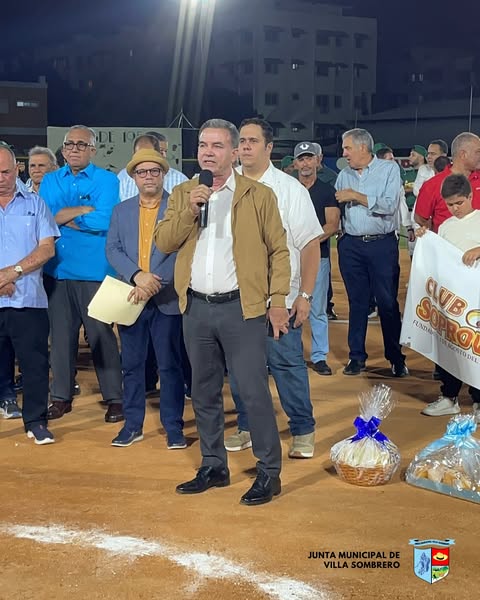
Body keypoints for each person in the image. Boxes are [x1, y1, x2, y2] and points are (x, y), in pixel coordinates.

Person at [154, 118, 291, 506]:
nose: (208, 153)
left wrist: (278, 300)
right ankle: (214, 465)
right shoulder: (184, 193)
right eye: (203, 145)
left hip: (241, 310)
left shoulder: (258, 195)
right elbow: (164, 241)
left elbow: (279, 251)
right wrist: (189, 210)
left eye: (217, 146)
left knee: (252, 391)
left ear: (234, 152)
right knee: (203, 392)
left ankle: (268, 472)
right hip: (196, 308)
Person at [225, 120, 321, 459]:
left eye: (253, 141)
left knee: (286, 366)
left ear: (268, 148)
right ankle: (247, 425)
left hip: (280, 296)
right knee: (240, 369)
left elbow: (310, 245)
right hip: (234, 296)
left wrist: (304, 295)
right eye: (241, 141)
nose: (245, 146)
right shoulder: (226, 185)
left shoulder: (289, 190)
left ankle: (302, 430)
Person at [40, 125, 124, 423]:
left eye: (81, 144)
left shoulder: (107, 180)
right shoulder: (50, 179)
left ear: (93, 150)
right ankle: (61, 396)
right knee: (61, 339)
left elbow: (106, 219)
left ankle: (115, 398)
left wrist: (66, 216)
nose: (74, 149)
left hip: (95, 272)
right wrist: (84, 210)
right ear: (63, 149)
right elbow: (46, 218)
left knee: (101, 336)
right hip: (57, 271)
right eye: (69, 144)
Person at [106, 148, 186, 448]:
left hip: (166, 299)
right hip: (132, 295)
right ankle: (132, 425)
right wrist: (137, 276)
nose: (148, 177)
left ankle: (173, 427)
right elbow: (112, 249)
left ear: (163, 175)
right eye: (142, 172)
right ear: (134, 178)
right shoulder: (121, 210)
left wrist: (152, 283)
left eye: (154, 171)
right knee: (132, 365)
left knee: (170, 366)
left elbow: (182, 251)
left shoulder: (178, 208)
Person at [335, 128, 407, 377]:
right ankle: (356, 357)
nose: (344, 153)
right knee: (357, 303)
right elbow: (338, 207)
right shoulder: (343, 174)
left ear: (363, 148)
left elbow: (389, 205)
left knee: (387, 302)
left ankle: (396, 358)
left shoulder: (389, 169)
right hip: (351, 246)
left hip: (381, 245)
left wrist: (355, 195)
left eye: (347, 148)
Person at [0, 145, 59, 443]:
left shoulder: (36, 204)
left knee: (35, 364)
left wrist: (13, 272)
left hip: (28, 299)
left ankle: (36, 421)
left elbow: (47, 248)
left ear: (17, 169)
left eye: (5, 172)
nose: (0, 178)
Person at [416, 174, 480, 421]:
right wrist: (426, 238)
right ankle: (449, 397)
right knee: (449, 347)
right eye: (450, 204)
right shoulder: (445, 226)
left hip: (475, 300)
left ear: (470, 197)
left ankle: (478, 400)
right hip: (452, 298)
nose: (455, 209)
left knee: (475, 348)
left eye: (459, 203)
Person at [294, 141, 339, 377]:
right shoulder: (288, 189)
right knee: (288, 305)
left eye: (309, 158)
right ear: (295, 163)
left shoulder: (326, 190)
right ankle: (292, 355)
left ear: (317, 161)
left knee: (317, 309)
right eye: (301, 159)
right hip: (290, 258)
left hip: (318, 257)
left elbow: (332, 224)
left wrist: (307, 242)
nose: (305, 163)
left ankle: (319, 356)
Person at [414, 132, 480, 233]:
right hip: (448, 242)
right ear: (463, 154)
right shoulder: (432, 185)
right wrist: (439, 234)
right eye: (478, 152)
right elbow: (420, 217)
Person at [118, 132, 188, 200]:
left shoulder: (180, 180)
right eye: (160, 151)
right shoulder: (123, 177)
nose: (164, 155)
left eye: (165, 151)